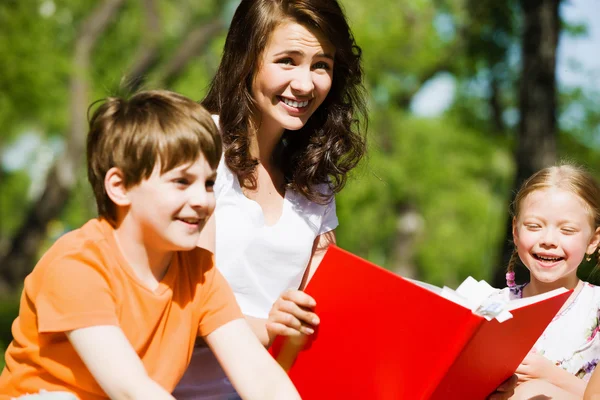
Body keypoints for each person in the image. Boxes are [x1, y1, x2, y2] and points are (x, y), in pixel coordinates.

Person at [173, 0, 517, 399]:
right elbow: (175, 307)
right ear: (245, 58)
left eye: (321, 65)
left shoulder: (314, 181)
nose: (305, 84)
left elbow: (328, 308)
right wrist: (268, 328)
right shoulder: (195, 147)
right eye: (287, 60)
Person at [0, 90, 300, 400]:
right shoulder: (78, 264)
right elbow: (131, 389)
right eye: (181, 182)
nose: (202, 200)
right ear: (120, 187)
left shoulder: (200, 274)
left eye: (209, 183)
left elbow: (261, 377)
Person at [499, 163, 600, 399]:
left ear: (593, 240)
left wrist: (549, 378)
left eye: (567, 230)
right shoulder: (490, 305)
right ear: (515, 231)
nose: (548, 240)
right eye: (534, 226)